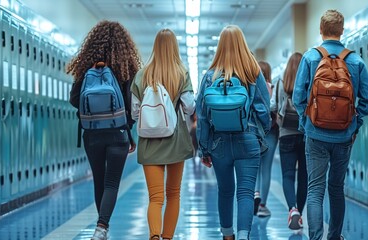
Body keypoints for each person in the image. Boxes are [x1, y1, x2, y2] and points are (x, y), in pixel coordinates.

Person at [292, 10, 368, 240]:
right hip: (343, 137)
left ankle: (316, 237)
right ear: (342, 30)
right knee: (336, 189)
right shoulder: (355, 60)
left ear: (321, 30)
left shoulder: (310, 57)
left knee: (315, 189)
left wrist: (306, 122)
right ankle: (335, 236)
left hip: (315, 135)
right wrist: (354, 125)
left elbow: (298, 97)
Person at [67, 20, 142, 240]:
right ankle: (102, 226)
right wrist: (129, 131)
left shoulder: (87, 68)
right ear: (123, 44)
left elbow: (74, 100)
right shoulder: (125, 68)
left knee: (99, 179)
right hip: (118, 132)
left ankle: (102, 229)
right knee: (112, 183)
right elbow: (131, 104)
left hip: (91, 134)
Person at [196, 25, 271, 240]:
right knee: (246, 192)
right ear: (242, 44)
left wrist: (204, 148)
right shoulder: (252, 71)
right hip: (248, 139)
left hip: (219, 142)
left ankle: (227, 235)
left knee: (225, 191)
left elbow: (202, 116)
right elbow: (263, 108)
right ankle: (244, 235)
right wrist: (260, 134)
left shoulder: (210, 76)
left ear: (220, 47)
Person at [130, 29, 195, 240]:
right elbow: (189, 107)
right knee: (173, 194)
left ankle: (154, 236)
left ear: (155, 47)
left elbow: (134, 111)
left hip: (149, 143)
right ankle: (167, 237)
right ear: (174, 47)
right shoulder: (181, 72)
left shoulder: (142, 74)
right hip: (175, 141)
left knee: (155, 198)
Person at [271, 53, 307, 230]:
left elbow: (274, 107)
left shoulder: (280, 83)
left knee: (287, 175)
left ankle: (292, 209)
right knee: (303, 177)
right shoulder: (308, 82)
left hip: (285, 134)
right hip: (306, 135)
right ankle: (299, 211)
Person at [253, 61, 278, 218]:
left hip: (255, 132)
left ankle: (255, 193)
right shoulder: (273, 88)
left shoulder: (252, 88)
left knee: (254, 167)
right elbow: (275, 107)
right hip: (271, 132)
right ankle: (262, 205)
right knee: (266, 169)